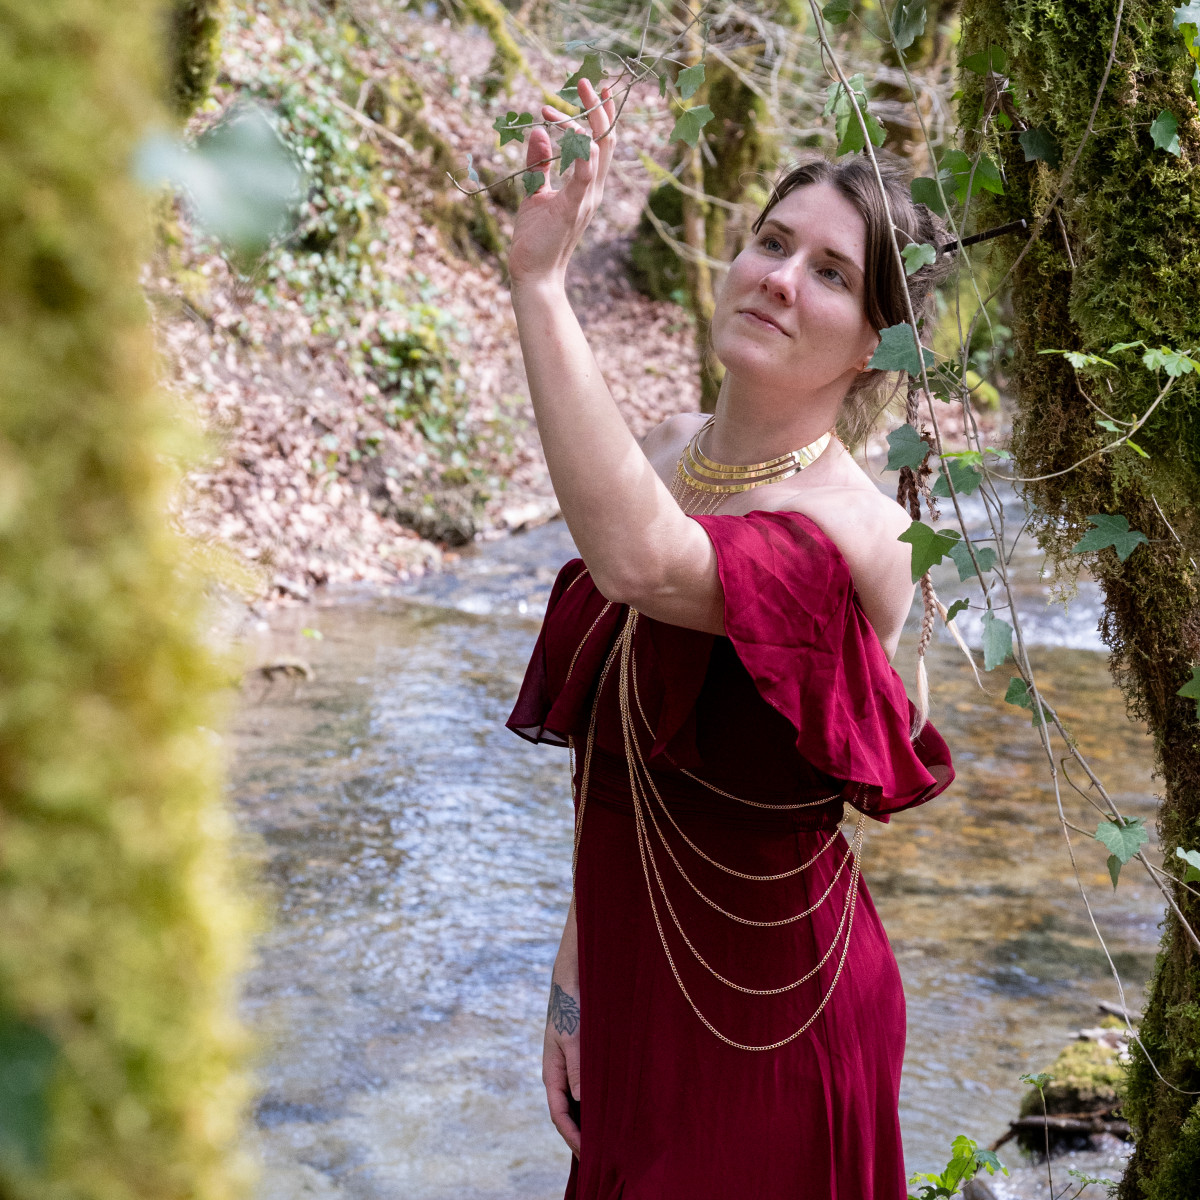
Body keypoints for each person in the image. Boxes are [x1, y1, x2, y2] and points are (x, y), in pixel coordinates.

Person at [504, 76, 955, 1200]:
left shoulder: (860, 535)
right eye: (772, 242)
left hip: (773, 1021)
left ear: (876, 349)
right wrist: (576, 986)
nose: (781, 279)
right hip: (644, 987)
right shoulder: (675, 472)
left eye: (832, 273)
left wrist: (541, 285)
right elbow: (632, 781)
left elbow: (644, 566)